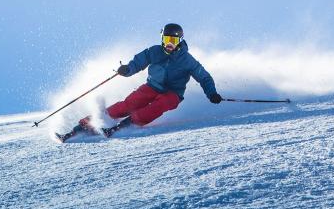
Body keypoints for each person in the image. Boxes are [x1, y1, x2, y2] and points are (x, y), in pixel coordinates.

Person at [57, 23, 222, 141]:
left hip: (173, 93)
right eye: (166, 39)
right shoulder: (154, 51)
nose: (169, 44)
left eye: (174, 41)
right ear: (162, 38)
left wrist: (212, 93)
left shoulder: (187, 60)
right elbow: (138, 62)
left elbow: (204, 77)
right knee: (128, 104)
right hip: (152, 86)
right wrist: (127, 69)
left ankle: (128, 123)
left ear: (180, 41)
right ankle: (87, 124)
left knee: (161, 104)